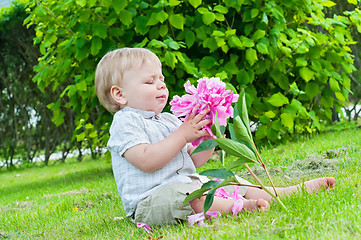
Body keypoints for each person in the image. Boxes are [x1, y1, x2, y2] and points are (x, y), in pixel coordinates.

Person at [94, 47, 336, 226]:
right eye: (150, 81)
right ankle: (235, 208)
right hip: (151, 202)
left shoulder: (167, 120)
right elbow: (146, 160)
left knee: (229, 180)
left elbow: (191, 162)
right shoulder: (125, 122)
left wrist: (207, 138)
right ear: (119, 94)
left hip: (187, 185)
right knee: (190, 197)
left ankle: (284, 192)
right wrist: (183, 134)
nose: (162, 86)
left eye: (162, 80)